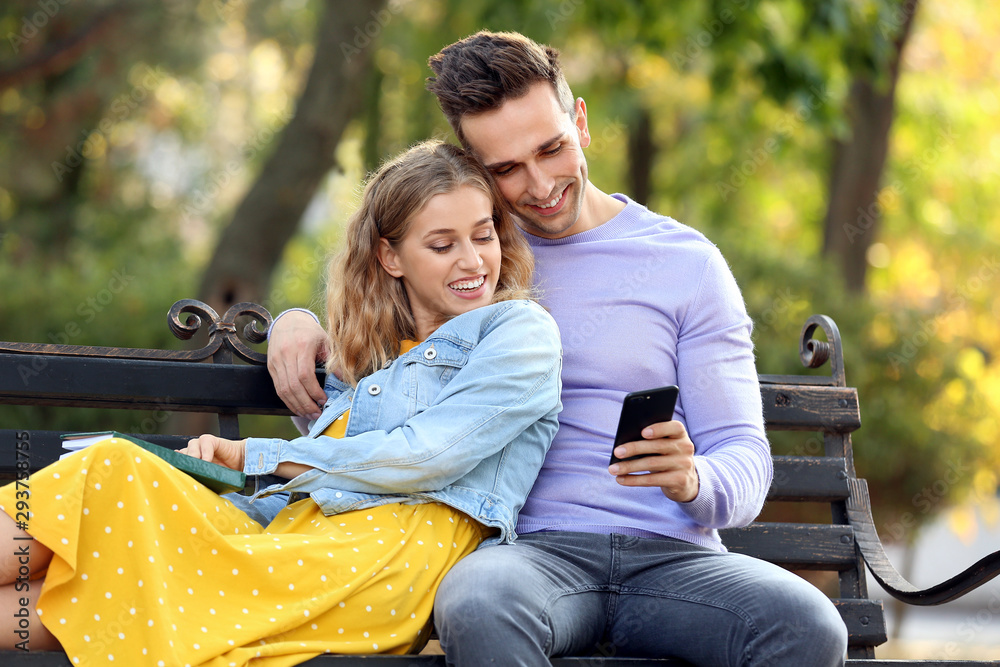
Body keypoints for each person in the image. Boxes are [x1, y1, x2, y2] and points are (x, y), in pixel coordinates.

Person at [267, 31, 849, 666]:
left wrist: (696, 479)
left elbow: (743, 455)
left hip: (675, 561)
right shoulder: (469, 263)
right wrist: (295, 322)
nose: (541, 185)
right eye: (506, 169)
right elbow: (371, 401)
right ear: (472, 168)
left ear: (581, 122)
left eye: (552, 149)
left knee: (808, 624)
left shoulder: (687, 265)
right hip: (530, 555)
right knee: (477, 599)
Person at [0, 140, 562, 665]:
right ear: (391, 258)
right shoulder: (374, 357)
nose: (472, 261)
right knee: (112, 483)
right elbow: (327, 456)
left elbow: (424, 456)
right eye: (442, 245)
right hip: (290, 536)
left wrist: (251, 455)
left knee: (111, 499)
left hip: (383, 560)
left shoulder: (519, 331)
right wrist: (298, 321)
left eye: (483, 235)